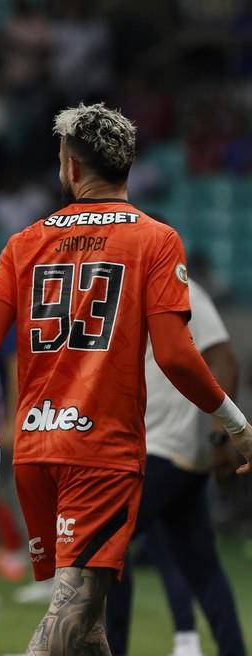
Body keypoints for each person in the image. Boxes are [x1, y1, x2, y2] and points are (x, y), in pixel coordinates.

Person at [0, 103, 252, 654]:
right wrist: (236, 424)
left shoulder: (24, 242)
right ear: (128, 167)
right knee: (70, 611)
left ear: (70, 168)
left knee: (88, 625)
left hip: (35, 450)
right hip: (101, 450)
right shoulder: (155, 239)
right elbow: (176, 355)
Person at [106, 278, 246, 656]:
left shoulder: (183, 289)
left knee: (105, 548)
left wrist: (220, 436)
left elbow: (224, 359)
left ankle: (112, 649)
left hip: (158, 449)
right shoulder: (130, 290)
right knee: (202, 566)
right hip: (171, 454)